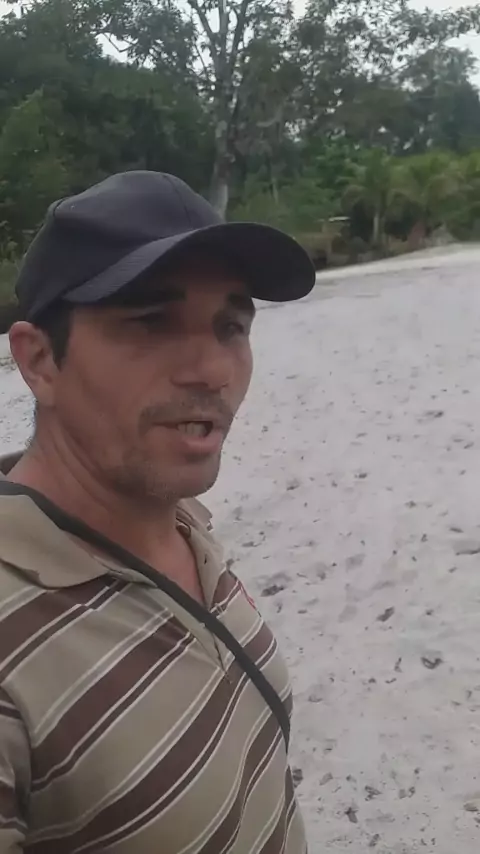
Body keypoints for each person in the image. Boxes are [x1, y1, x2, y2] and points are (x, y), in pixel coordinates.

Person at [0, 170, 315, 853]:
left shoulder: (182, 521)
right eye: (151, 322)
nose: (212, 370)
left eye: (231, 326)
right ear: (40, 361)